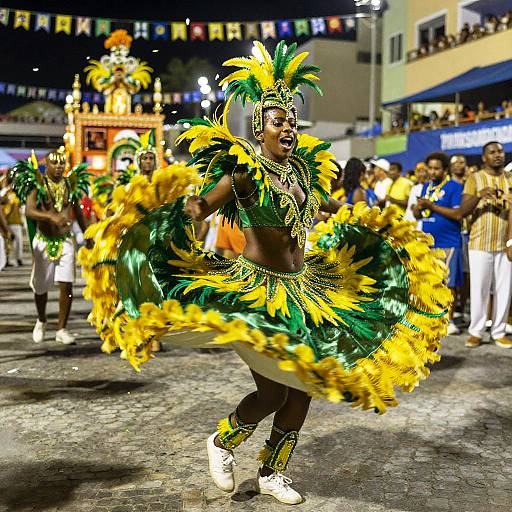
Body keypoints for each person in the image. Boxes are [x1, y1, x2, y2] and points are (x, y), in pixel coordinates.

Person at [79, 41, 450, 504]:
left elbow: (329, 207)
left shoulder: (301, 173)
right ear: (260, 128)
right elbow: (203, 206)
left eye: (293, 120)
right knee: (273, 392)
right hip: (256, 292)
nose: (289, 127)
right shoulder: (244, 173)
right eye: (280, 121)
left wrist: (368, 219)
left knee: (304, 388)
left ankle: (273, 471)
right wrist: (179, 211)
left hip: (305, 289)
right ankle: (222, 442)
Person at [10, 150, 91, 344]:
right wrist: (50, 216)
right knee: (41, 287)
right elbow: (29, 210)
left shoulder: (70, 185)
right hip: (43, 240)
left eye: (62, 163)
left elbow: (78, 212)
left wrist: (88, 235)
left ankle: (62, 329)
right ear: (47, 165)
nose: (59, 167)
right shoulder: (38, 185)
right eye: (55, 164)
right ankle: (41, 320)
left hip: (65, 240)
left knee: (67, 285)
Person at [445, 142, 512, 348]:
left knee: (504, 289)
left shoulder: (509, 179)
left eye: (500, 151)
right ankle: (476, 331)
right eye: (492, 152)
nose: (497, 155)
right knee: (480, 289)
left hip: (504, 243)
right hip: (479, 242)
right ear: (484, 158)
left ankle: (499, 331)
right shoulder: (474, 179)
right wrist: (479, 195)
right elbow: (462, 211)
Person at [414, 153, 464, 335]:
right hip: (427, 241)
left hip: (449, 241)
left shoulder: (454, 187)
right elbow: (420, 215)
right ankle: (433, 317)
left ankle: (449, 320)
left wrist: (431, 206)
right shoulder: (426, 187)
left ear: (445, 170)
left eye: (437, 168)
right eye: (430, 168)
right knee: (430, 281)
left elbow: (457, 214)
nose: (433, 172)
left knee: (448, 283)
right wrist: (418, 209)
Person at [449, 154, 470, 321]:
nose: (459, 165)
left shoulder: (470, 183)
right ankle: (452, 307)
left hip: (469, 232)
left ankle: (462, 307)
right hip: (454, 233)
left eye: (462, 162)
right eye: (455, 162)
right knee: (454, 275)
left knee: (467, 274)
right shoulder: (448, 186)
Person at [404, 162, 429, 226]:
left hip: (421, 224)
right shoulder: (414, 188)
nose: (420, 174)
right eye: (418, 171)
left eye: (423, 171)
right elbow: (410, 206)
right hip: (408, 221)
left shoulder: (431, 188)